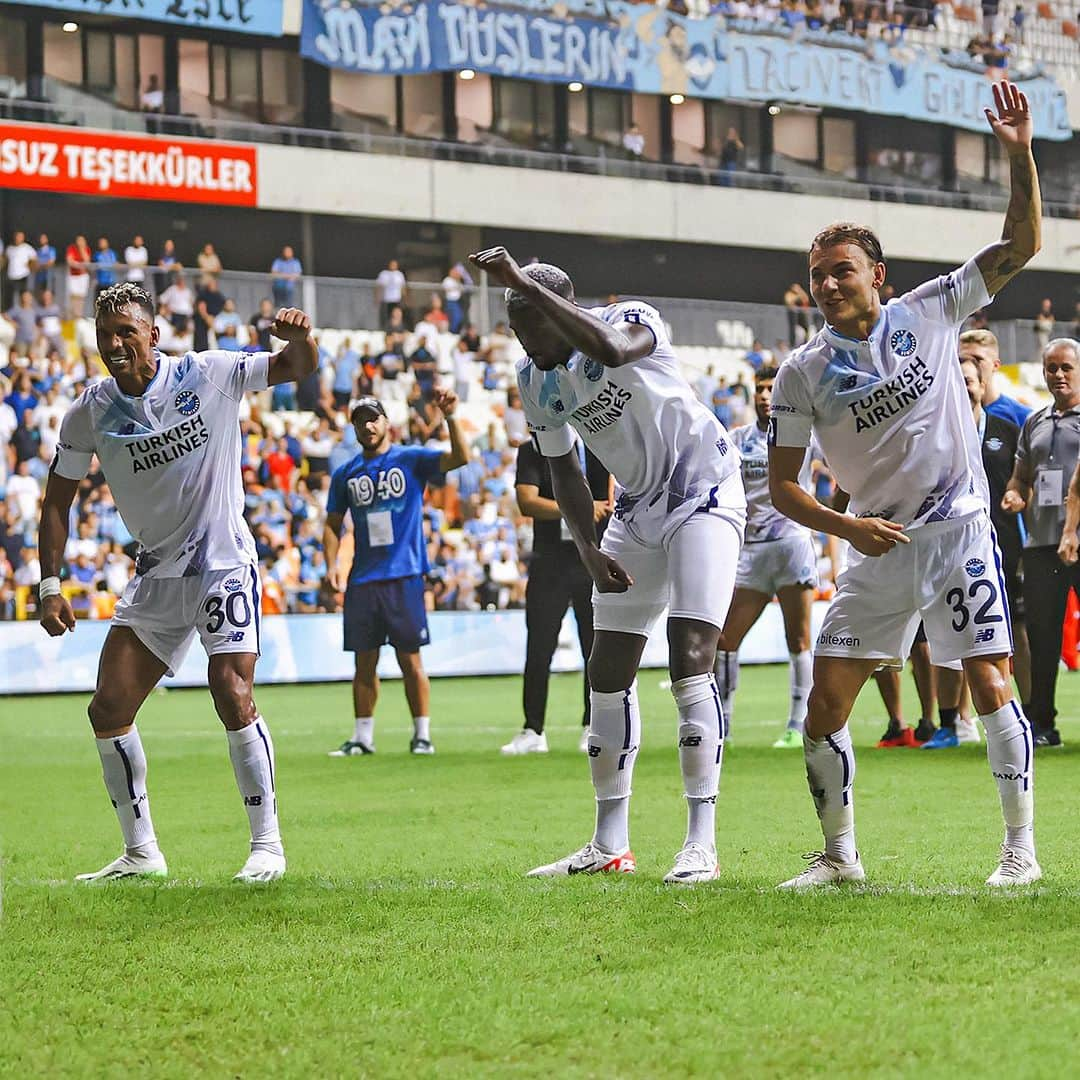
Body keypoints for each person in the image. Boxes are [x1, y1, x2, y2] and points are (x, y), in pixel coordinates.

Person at [767, 81, 1041, 888]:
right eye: (817, 275)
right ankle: (839, 857)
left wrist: (1019, 154)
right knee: (826, 706)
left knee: (990, 683)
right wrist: (846, 529)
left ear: (877, 275)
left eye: (841, 270)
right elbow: (785, 488)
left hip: (960, 532)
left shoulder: (933, 308)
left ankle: (1019, 850)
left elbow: (1021, 243)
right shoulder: (800, 374)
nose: (826, 284)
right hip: (876, 545)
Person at [471, 245, 745, 885]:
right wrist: (588, 547)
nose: (523, 338)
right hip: (637, 510)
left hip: (703, 489)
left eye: (530, 320)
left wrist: (520, 281)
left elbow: (617, 354)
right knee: (607, 670)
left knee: (690, 654)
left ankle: (700, 841)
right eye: (512, 322)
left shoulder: (631, 317)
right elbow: (563, 464)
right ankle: (608, 844)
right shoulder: (534, 379)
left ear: (561, 307)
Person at [38, 282, 317, 883]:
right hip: (158, 576)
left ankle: (267, 845)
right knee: (108, 707)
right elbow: (57, 499)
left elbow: (295, 366)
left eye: (126, 332)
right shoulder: (89, 411)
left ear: (153, 335)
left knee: (230, 688)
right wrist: (49, 584)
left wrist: (300, 340)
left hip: (223, 562)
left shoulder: (209, 374)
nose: (113, 344)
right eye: (104, 333)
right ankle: (141, 852)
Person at [323, 391, 467, 757]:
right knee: (364, 662)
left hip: (404, 574)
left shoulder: (410, 459)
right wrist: (331, 564)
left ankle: (422, 735)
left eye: (373, 418)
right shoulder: (346, 474)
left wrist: (450, 417)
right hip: (363, 579)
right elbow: (332, 524)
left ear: (388, 422)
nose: (367, 426)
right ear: (353, 428)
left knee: (410, 659)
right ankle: (362, 737)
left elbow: (460, 457)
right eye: (360, 420)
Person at [923, 356, 1026, 747]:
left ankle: (1017, 720)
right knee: (946, 640)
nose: (965, 387)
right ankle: (952, 722)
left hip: (1001, 547)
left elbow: (1023, 480)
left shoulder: (1006, 430)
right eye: (957, 380)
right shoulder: (935, 433)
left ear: (982, 386)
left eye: (970, 380)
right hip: (945, 548)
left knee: (1004, 637)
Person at [713, 367, 817, 750]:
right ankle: (721, 723)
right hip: (751, 551)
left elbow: (836, 469)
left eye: (772, 388)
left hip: (791, 544)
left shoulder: (802, 431)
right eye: (760, 388)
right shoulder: (736, 440)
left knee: (799, 638)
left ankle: (797, 724)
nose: (765, 394)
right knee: (725, 640)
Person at [501, 437, 611, 755]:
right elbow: (527, 500)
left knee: (596, 648)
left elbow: (615, 497)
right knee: (538, 649)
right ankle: (533, 729)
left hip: (591, 560)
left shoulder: (597, 443)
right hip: (549, 563)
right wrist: (578, 508)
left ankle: (594, 726)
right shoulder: (534, 449)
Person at [1008, 339, 1080, 749]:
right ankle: (1041, 724)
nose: (1058, 375)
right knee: (1041, 635)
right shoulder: (1034, 421)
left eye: (1066, 367)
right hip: (1040, 546)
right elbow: (1021, 477)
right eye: (1050, 367)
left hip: (1078, 540)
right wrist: (1015, 493)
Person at [958, 328, 1031, 428]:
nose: (970, 366)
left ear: (995, 365)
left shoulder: (1021, 417)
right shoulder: (949, 413)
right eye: (962, 360)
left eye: (977, 360)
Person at [4, 230, 37, 310]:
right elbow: (5, 260)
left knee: (23, 296)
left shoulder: (27, 248)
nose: (18, 238)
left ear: (23, 238)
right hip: (11, 276)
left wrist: (30, 267)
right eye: (16, 237)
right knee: (10, 297)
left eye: (20, 237)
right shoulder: (9, 248)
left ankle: (24, 311)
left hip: (23, 276)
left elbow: (34, 260)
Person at [376, 259, 407, 328]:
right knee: (386, 315)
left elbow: (403, 287)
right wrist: (377, 298)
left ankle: (397, 328)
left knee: (397, 315)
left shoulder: (399, 274)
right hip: (387, 299)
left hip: (397, 299)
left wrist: (404, 298)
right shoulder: (384, 274)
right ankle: (386, 328)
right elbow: (379, 287)